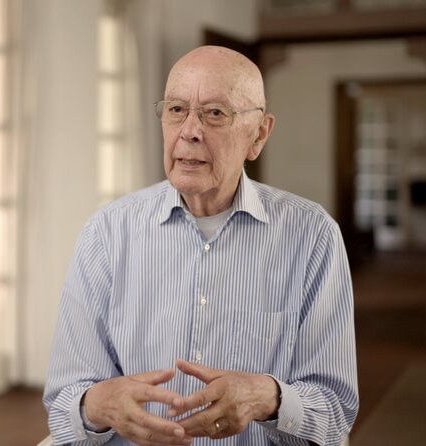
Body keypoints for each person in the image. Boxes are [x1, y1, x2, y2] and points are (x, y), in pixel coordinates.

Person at [43, 46, 358, 446]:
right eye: (176, 110)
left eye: (215, 113)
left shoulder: (313, 236)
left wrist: (270, 398)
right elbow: (64, 407)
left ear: (259, 134)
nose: (189, 131)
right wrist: (96, 406)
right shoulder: (106, 233)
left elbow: (335, 413)